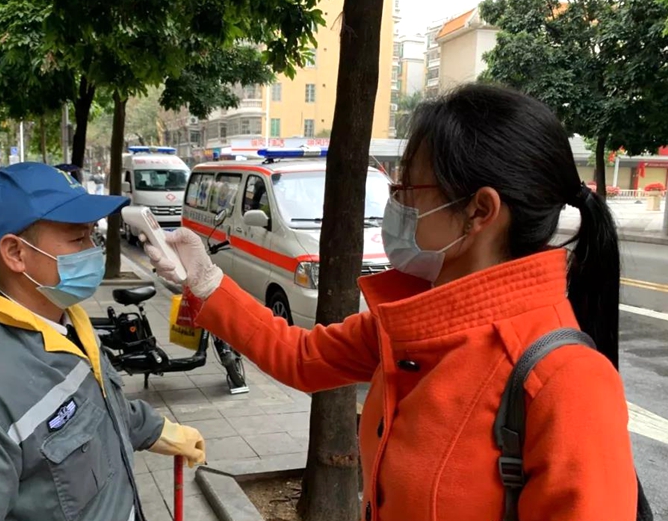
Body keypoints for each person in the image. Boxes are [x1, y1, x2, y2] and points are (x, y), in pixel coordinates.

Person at [143, 85, 640, 520]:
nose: (395, 204)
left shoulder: (565, 383)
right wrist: (207, 282)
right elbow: (302, 356)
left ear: (480, 211)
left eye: (409, 189)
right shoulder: (418, 321)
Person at [0, 162, 206, 521]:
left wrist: (157, 431)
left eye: (92, 235)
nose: (92, 249)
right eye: (78, 238)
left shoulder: (67, 320)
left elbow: (96, 406)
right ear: (16, 253)